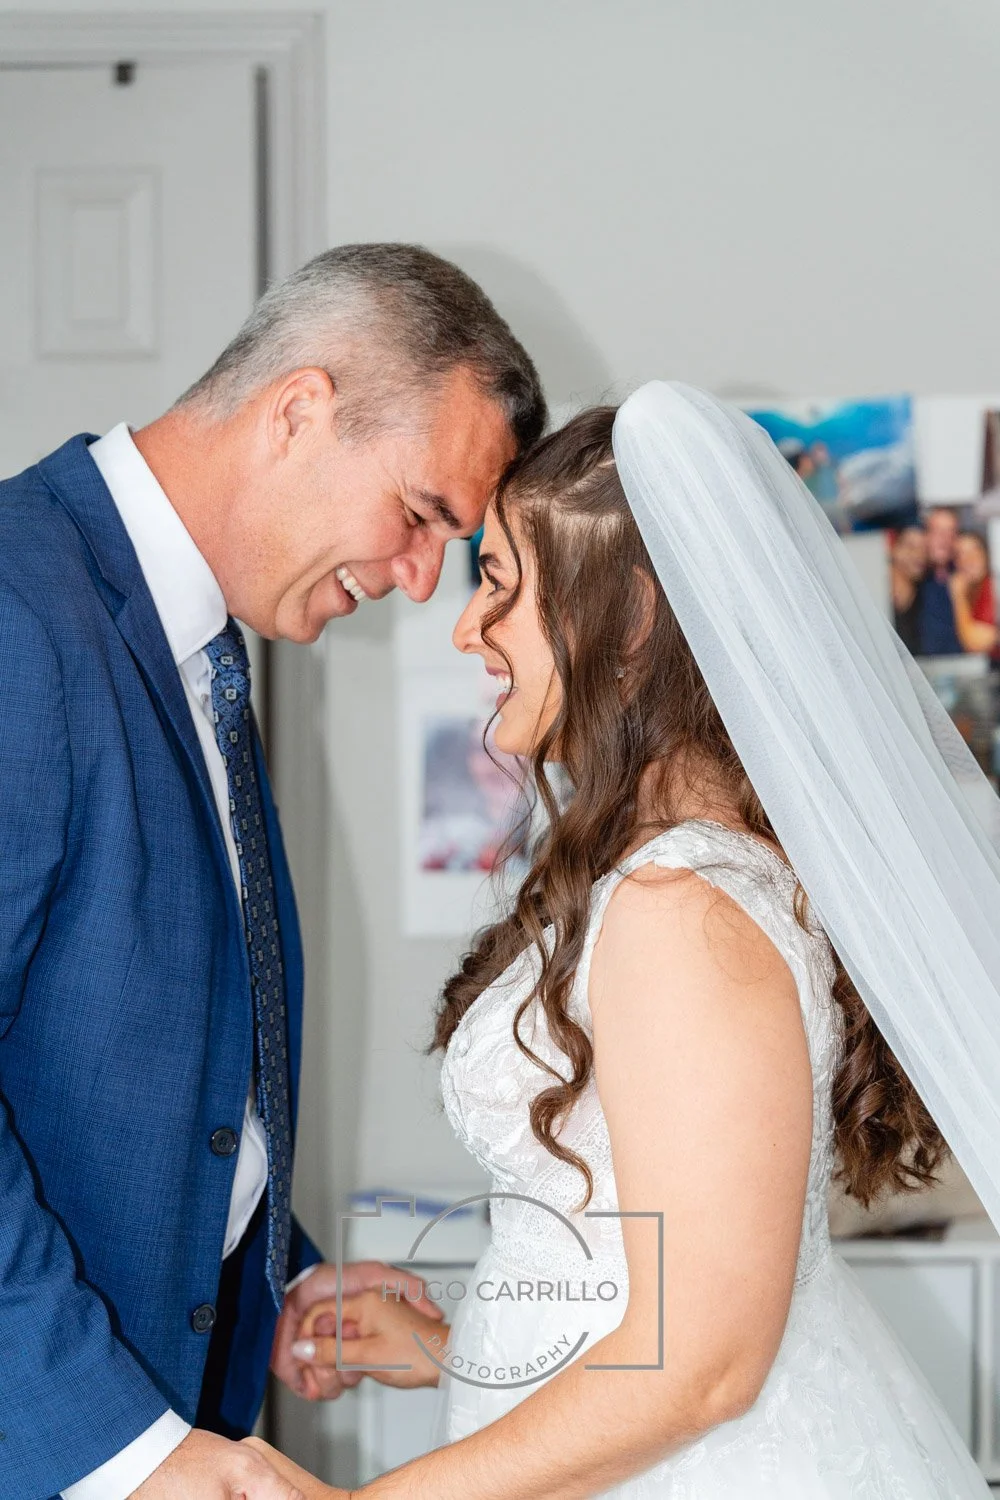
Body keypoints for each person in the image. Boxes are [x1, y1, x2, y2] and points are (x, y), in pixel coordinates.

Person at [247, 388, 1000, 1498]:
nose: (467, 627)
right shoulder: (663, 877)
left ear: (631, 618)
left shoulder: (682, 910)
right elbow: (642, 1268)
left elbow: (703, 1368)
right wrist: (459, 1350)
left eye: (498, 584)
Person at [0, 242, 545, 1499]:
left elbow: (147, 1046)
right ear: (299, 411)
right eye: (421, 518)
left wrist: (281, 1273)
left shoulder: (204, 642)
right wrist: (127, 1456)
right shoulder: (20, 611)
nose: (420, 583)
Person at [917, 505, 963, 654]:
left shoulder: (963, 576)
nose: (944, 539)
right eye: (938, 531)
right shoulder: (913, 578)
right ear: (925, 535)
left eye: (951, 533)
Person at [949, 530, 999, 661]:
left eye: (975, 551)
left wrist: (958, 595)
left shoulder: (994, 587)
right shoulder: (971, 593)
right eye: (961, 554)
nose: (969, 559)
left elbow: (973, 642)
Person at [889, 523, 928, 654]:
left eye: (924, 549)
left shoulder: (926, 599)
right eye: (911, 547)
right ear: (894, 549)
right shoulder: (874, 593)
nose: (919, 555)